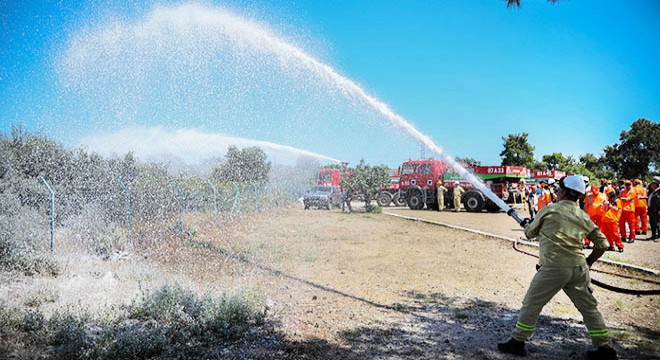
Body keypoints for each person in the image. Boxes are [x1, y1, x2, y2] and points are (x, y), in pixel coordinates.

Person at [498, 175, 617, 360]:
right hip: (578, 268)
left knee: (532, 304)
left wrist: (528, 224)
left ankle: (517, 342)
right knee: (589, 308)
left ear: (562, 191)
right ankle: (605, 349)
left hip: (553, 268)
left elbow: (530, 233)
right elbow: (603, 244)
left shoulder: (549, 210)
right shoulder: (583, 216)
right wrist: (588, 262)